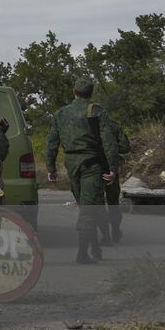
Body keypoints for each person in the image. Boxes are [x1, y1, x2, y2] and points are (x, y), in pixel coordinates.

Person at [46, 76, 119, 265]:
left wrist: (51, 168)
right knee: (89, 208)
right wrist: (113, 167)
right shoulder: (96, 111)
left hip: (71, 164)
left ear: (74, 92)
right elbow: (109, 141)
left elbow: (52, 143)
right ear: (91, 93)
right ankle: (82, 253)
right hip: (91, 164)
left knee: (87, 204)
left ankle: (95, 248)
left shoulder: (60, 113)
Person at [103, 115, 132, 244]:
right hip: (110, 166)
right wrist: (112, 147)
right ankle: (115, 229)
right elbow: (125, 146)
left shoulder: (83, 125)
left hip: (90, 168)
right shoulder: (112, 124)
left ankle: (105, 234)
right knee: (113, 201)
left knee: (95, 203)